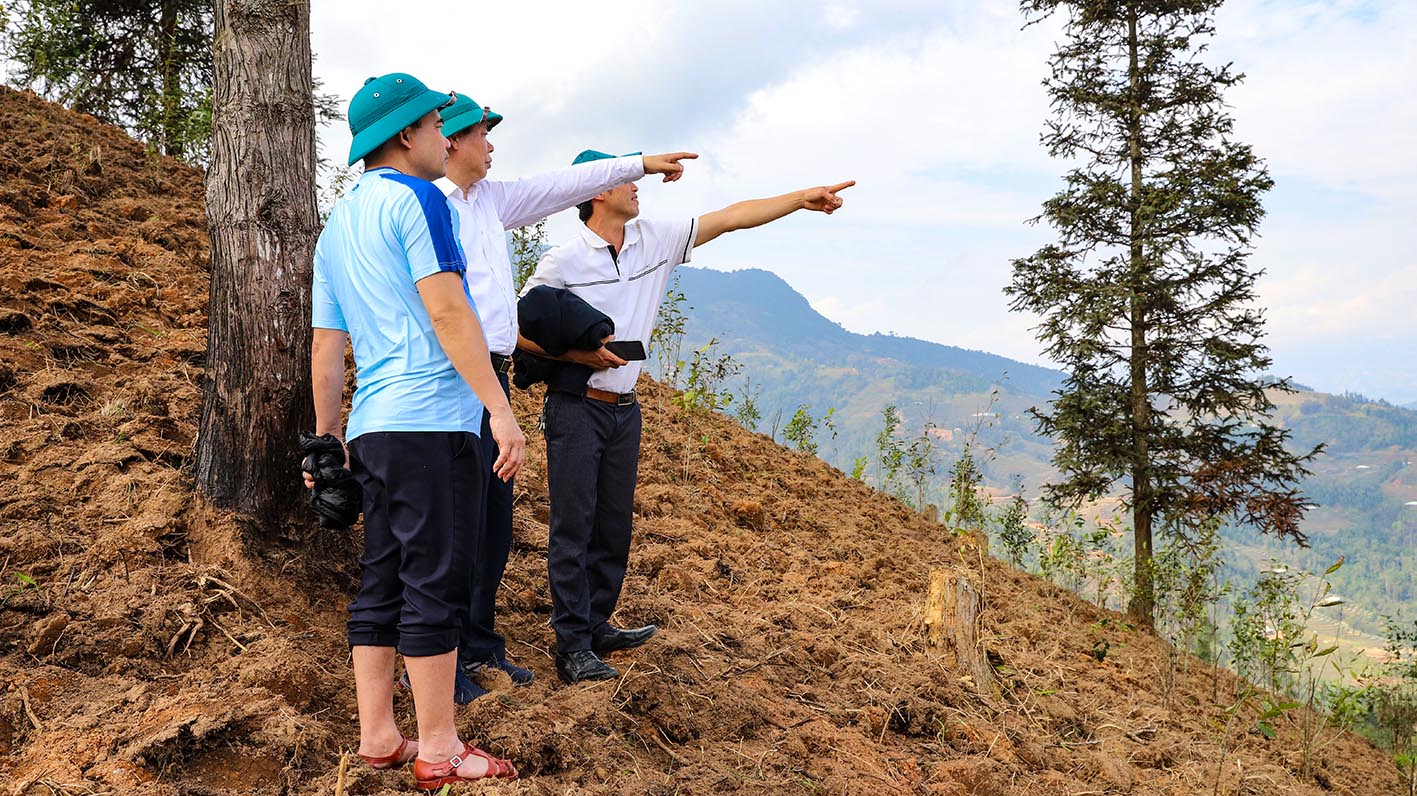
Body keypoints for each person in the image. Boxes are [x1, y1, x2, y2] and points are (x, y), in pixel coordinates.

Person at [520, 149, 853, 684]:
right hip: (576, 407)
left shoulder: (655, 239)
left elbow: (729, 218)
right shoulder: (562, 262)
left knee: (613, 526)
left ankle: (597, 623)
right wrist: (577, 355)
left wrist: (799, 199)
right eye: (627, 178)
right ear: (599, 190)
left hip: (625, 410)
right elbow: (517, 330)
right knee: (572, 526)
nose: (638, 186)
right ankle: (572, 645)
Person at [432, 93, 695, 697]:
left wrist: (642, 162)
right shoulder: (426, 206)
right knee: (457, 523)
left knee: (495, 525)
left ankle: (479, 646)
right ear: (447, 139)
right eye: (482, 133)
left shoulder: (490, 203)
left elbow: (562, 182)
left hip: (491, 373)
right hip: (449, 377)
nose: (492, 143)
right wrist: (564, 359)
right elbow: (463, 313)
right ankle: (457, 662)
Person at [307, 72, 525, 789]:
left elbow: (326, 347)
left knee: (384, 578)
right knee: (436, 581)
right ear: (407, 134)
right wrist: (498, 407)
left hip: (373, 427)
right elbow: (449, 312)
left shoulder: (337, 224)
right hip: (433, 420)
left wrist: (327, 439)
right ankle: (439, 749)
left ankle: (379, 736)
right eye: (438, 124)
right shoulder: (421, 199)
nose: (445, 135)